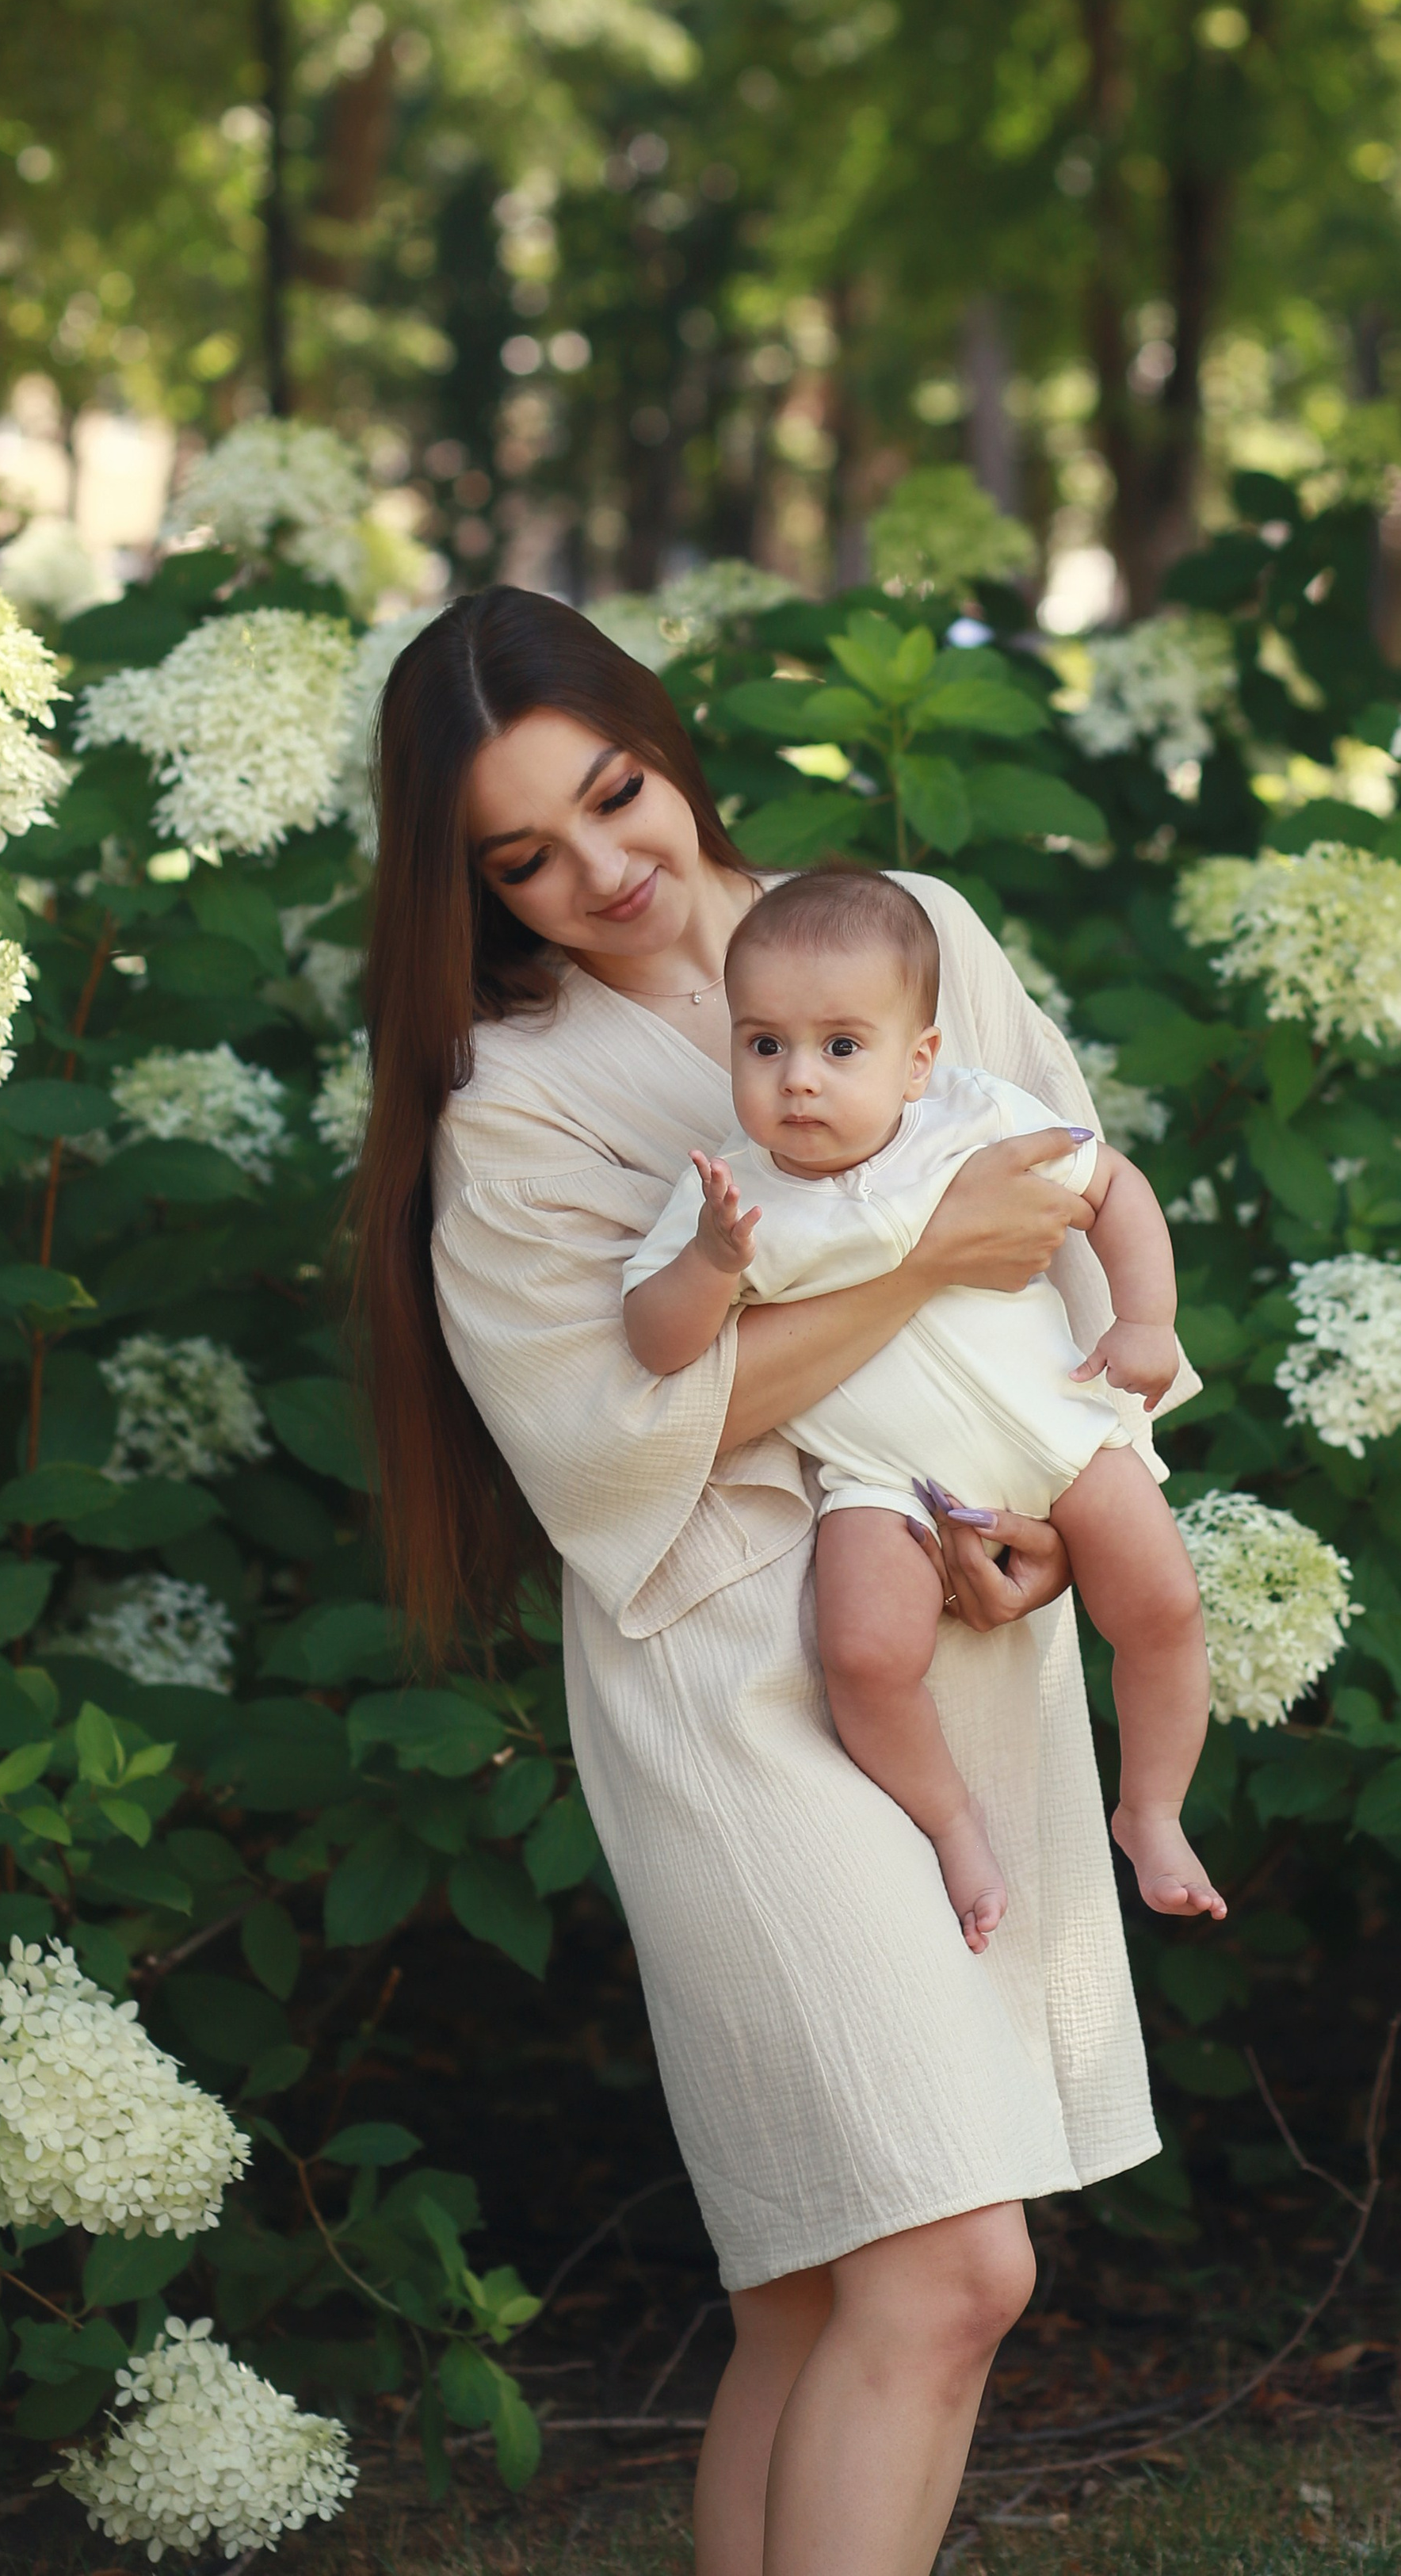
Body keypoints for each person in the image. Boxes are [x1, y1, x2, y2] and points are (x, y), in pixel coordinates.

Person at [357, 586, 1198, 2576]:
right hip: (730, 1673)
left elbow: (1072, 1239)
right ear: (464, 890)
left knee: (824, 2292)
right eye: (521, 860)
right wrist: (914, 1263)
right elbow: (625, 1435)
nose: (601, 873)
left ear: (666, 740)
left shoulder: (908, 933)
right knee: (947, 2268)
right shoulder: (518, 1104)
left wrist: (1044, 1521)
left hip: (964, 1623)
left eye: (616, 794)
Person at [620, 866, 1221, 1951]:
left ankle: (1154, 1810)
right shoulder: (731, 1194)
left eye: (842, 1047)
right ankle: (951, 1823)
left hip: (1062, 1428)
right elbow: (656, 1344)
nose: (798, 1080)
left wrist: (1146, 1319)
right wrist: (711, 1265)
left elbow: (1113, 1188)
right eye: (764, 1046)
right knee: (860, 1655)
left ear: (919, 1060)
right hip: (882, 1481)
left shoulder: (977, 1123)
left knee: (1166, 1609)